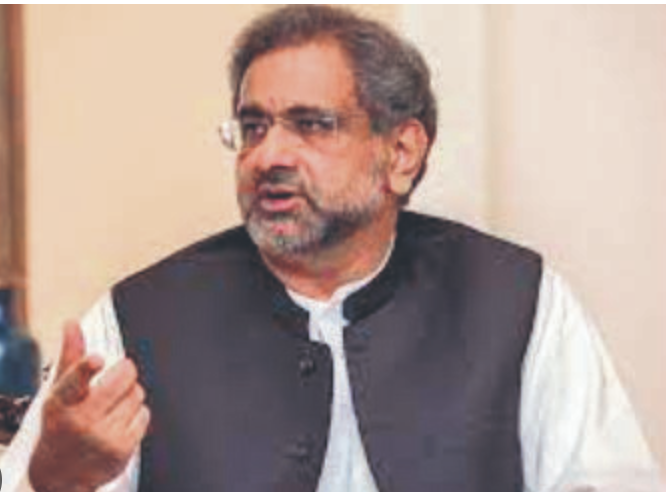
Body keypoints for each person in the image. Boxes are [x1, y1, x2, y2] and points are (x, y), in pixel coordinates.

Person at [1, 5, 664, 492]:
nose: (269, 155)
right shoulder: (138, 319)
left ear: (401, 153)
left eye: (311, 125)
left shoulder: (515, 301)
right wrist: (52, 481)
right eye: (253, 127)